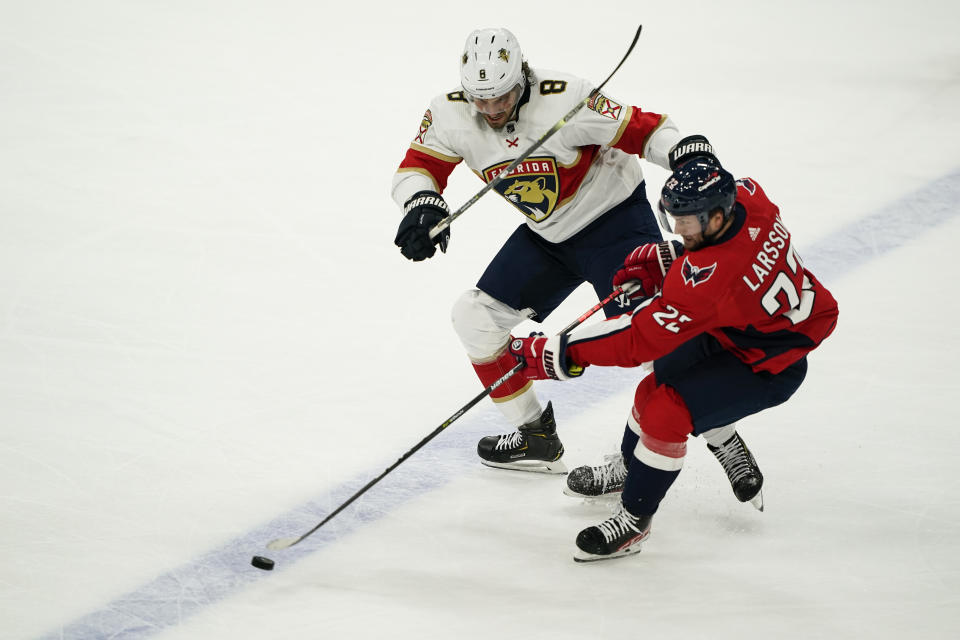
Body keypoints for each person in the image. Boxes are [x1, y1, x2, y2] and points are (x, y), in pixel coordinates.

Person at [391, 27, 713, 474]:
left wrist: (686, 156)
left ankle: (714, 441)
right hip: (549, 236)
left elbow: (646, 130)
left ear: (522, 76)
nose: (491, 110)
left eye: (501, 97)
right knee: (474, 317)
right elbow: (417, 166)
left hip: (616, 223)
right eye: (480, 100)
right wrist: (422, 202)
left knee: (655, 337)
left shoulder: (568, 98)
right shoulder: (450, 113)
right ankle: (535, 436)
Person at [508, 158, 839, 561]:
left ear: (718, 216)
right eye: (674, 218)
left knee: (668, 411)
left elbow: (638, 340)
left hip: (770, 363)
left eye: (689, 222)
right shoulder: (751, 197)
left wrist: (561, 351)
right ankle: (634, 468)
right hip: (745, 327)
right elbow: (731, 233)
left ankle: (634, 522)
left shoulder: (711, 280)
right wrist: (676, 254)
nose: (679, 230)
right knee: (655, 384)